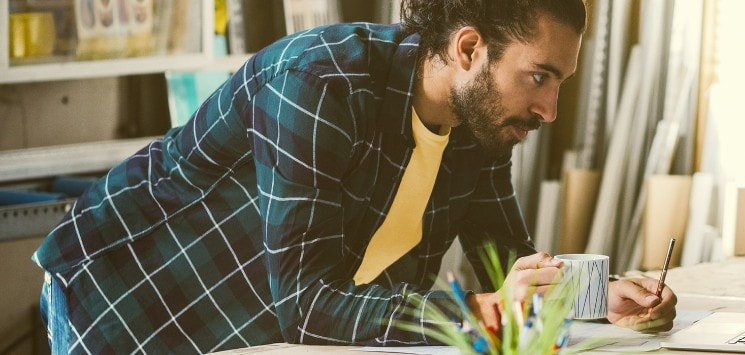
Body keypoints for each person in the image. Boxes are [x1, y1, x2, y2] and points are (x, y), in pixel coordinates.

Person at [32, 0, 677, 353]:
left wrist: (596, 297)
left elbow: (507, 262)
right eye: (540, 77)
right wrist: (484, 311)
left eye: (559, 84)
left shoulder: (480, 129)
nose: (549, 110)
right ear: (470, 49)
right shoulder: (320, 85)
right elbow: (310, 306)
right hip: (126, 302)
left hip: (253, 325)